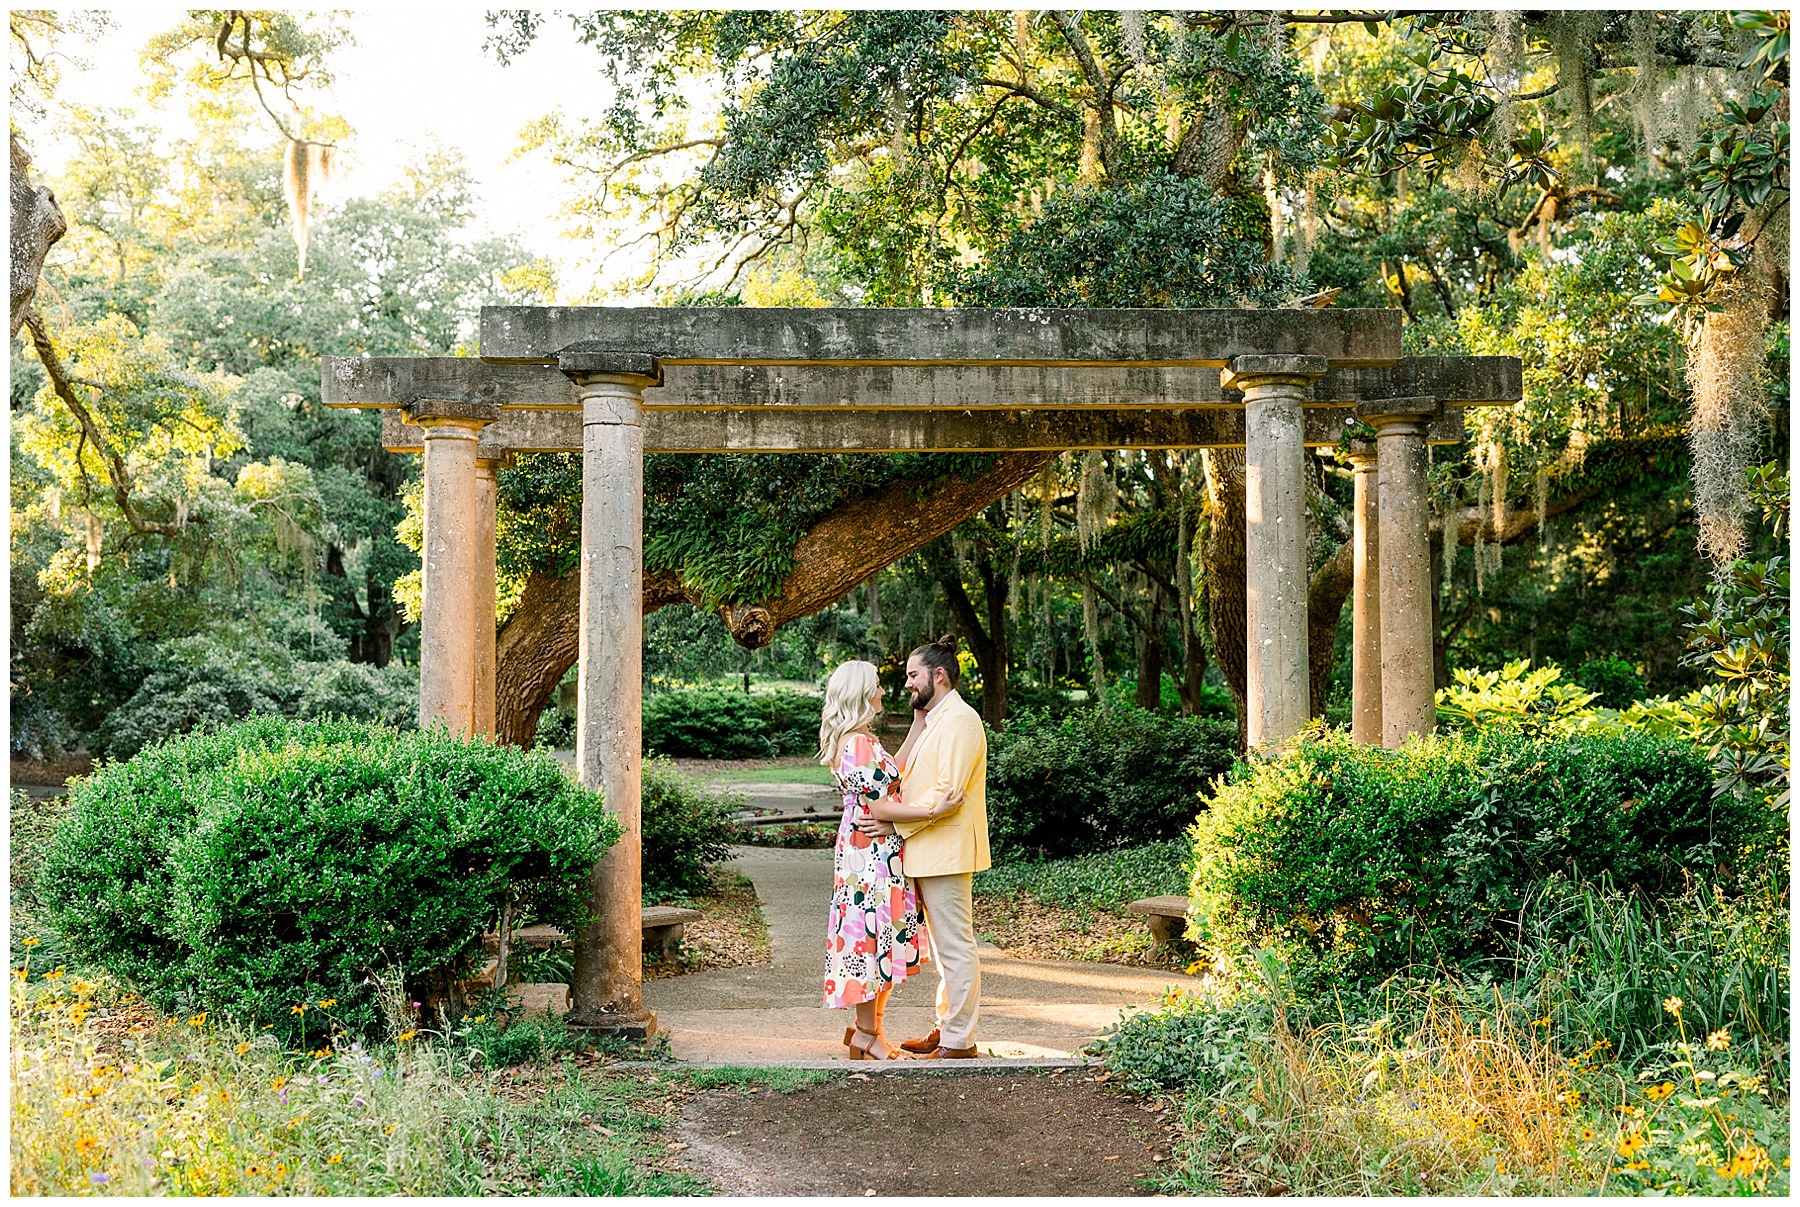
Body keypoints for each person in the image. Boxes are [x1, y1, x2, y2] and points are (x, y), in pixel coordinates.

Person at [854, 634, 989, 1060]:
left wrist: (891, 822)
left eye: (913, 676)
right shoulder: (935, 719)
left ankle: (958, 1042)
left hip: (946, 851)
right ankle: (946, 1028)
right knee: (946, 950)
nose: (907, 684)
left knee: (955, 946)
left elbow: (946, 797)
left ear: (939, 675)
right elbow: (906, 778)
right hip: (925, 850)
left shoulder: (961, 721)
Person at [818, 659, 955, 1061]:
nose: (883, 691)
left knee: (881, 941)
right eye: (877, 686)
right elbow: (879, 806)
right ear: (861, 693)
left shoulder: (860, 739)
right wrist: (935, 811)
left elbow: (891, 774)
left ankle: (869, 1031)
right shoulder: (858, 742)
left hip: (873, 849)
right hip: (869, 853)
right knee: (869, 940)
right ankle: (866, 1033)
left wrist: (918, 723)